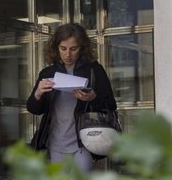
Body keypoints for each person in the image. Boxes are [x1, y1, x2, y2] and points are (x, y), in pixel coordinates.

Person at [27, 23, 117, 172]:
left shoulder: (94, 69)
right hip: (55, 143)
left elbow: (111, 105)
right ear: (56, 48)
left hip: (85, 141)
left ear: (82, 48)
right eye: (63, 49)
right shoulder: (48, 73)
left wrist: (93, 98)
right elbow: (34, 109)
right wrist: (38, 93)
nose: (68, 54)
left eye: (73, 49)